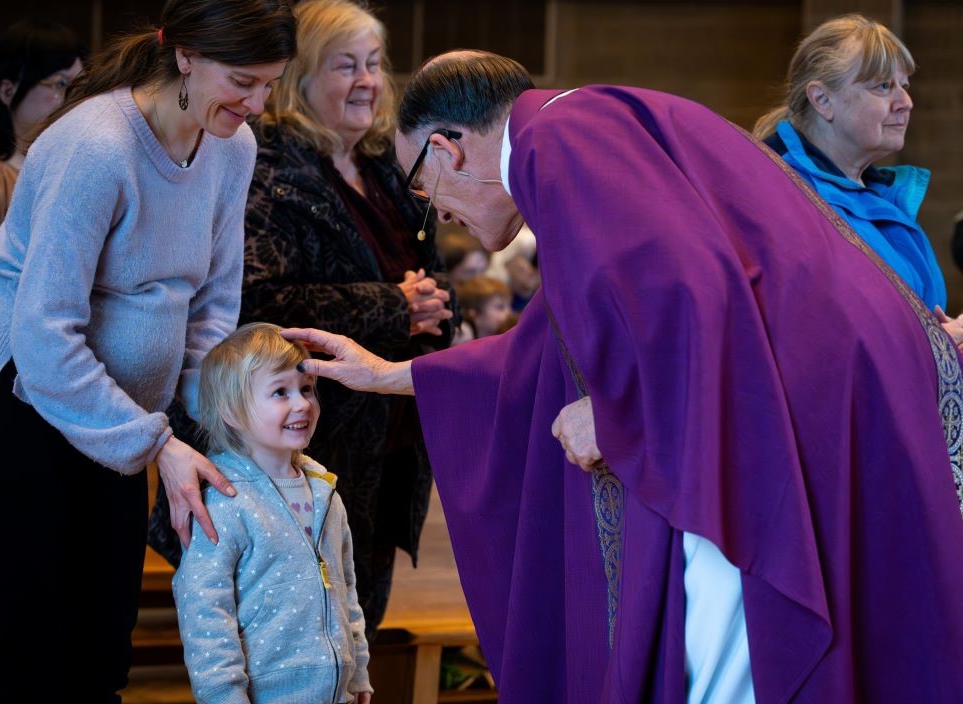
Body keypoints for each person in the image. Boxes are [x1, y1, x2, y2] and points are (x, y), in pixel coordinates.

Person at [286, 51, 963, 703]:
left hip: (793, 399)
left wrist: (615, 415)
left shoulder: (563, 141)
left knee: (732, 641)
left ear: (446, 149)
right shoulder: (575, 130)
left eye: (421, 188)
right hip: (807, 385)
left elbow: (695, 290)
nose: (437, 211)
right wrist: (393, 374)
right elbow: (552, 344)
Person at [0, 0, 295, 700]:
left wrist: (229, 423)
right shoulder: (95, 145)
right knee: (41, 655)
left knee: (102, 650)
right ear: (185, 57)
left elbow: (211, 308)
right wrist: (156, 443)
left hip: (120, 422)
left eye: (271, 83)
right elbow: (44, 335)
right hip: (18, 403)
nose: (258, 104)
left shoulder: (233, 146)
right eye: (243, 81)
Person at [240, 0, 453, 639]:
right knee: (299, 649)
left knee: (356, 640)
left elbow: (430, 280)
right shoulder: (264, 167)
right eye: (345, 66)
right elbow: (259, 305)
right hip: (305, 450)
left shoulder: (387, 167)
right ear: (301, 79)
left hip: (387, 446)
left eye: (374, 64)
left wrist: (438, 304)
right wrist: (394, 305)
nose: (367, 81)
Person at [174, 323, 371, 704]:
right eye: (280, 392)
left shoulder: (325, 492)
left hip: (336, 693)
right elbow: (205, 610)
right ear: (232, 411)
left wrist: (358, 671)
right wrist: (223, 695)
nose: (302, 404)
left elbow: (347, 590)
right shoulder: (224, 500)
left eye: (307, 389)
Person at [754, 15, 959, 334]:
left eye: (903, 86)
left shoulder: (885, 197)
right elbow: (810, 336)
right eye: (883, 86)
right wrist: (931, 346)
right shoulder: (781, 198)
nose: (905, 102)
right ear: (822, 100)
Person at [0, 18, 85, 315]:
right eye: (61, 84)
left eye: (81, 88)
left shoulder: (76, 173)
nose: (74, 100)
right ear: (7, 91)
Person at [453, 275, 513, 344]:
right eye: (500, 307)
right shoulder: (460, 336)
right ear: (473, 312)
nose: (509, 313)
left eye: (509, 306)